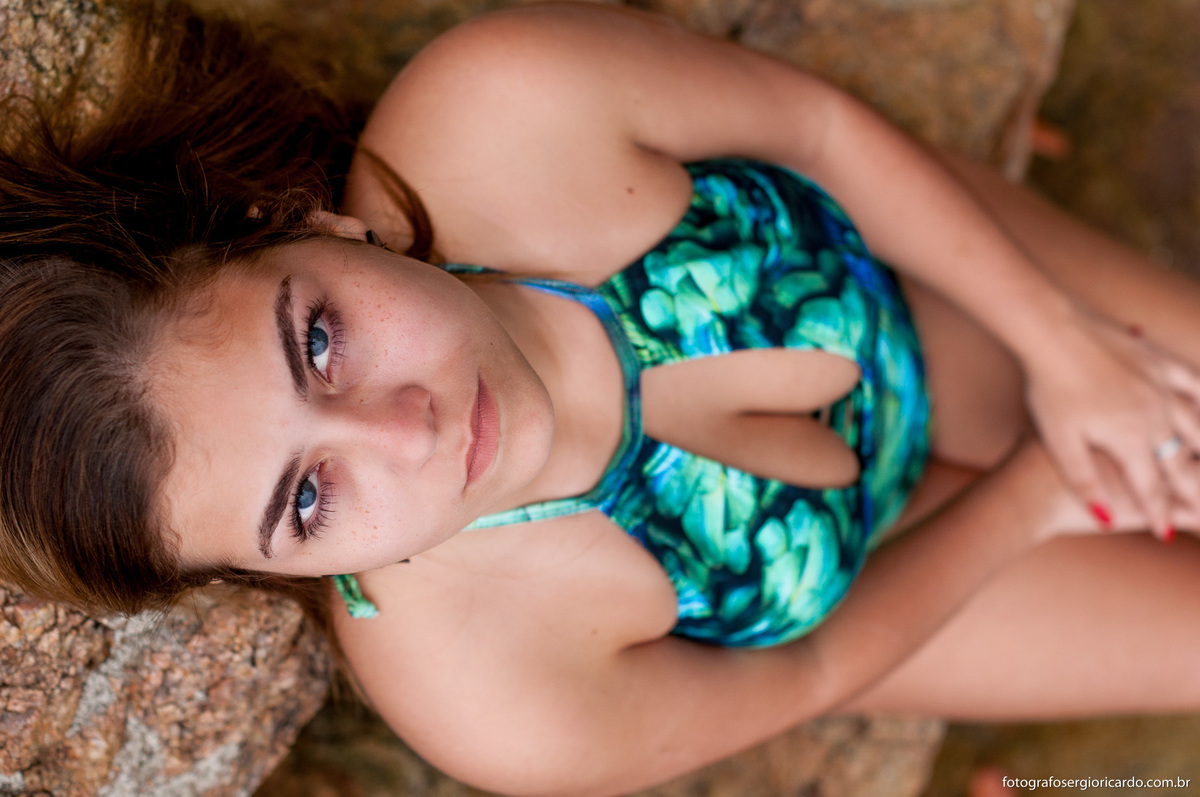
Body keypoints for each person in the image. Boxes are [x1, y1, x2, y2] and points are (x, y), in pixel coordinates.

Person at [4, 2, 1200, 794]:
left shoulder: (503, 110)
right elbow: (810, 676)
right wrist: (1041, 495)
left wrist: (1070, 349)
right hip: (902, 577)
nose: (403, 431)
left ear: (306, 226)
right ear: (282, 571)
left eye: (319, 342)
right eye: (308, 497)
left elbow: (820, 131)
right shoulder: (492, 698)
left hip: (939, 300)